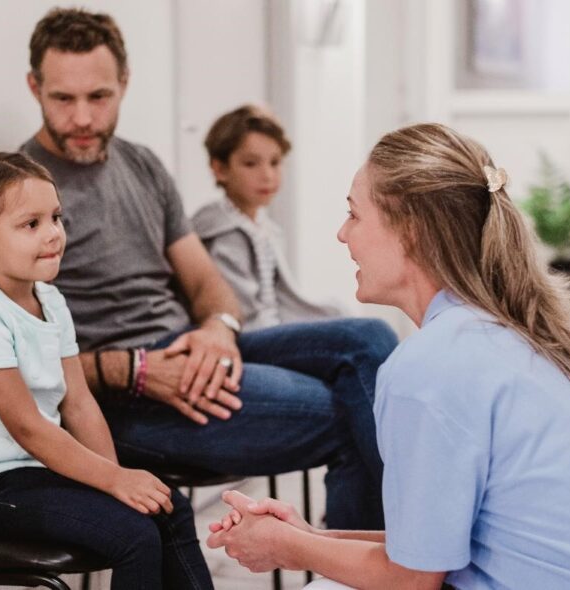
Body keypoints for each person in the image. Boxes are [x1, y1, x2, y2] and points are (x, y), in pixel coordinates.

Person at [206, 123, 570, 590]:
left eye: (354, 214)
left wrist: (287, 549)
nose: (342, 234)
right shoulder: (515, 338)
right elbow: (437, 552)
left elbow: (410, 580)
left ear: (411, 230)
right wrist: (308, 538)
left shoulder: (428, 368)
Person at [20, 6, 396, 536]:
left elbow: (203, 282)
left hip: (190, 348)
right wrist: (137, 370)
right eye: (63, 98)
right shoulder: (20, 194)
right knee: (353, 415)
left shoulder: (142, 164)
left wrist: (219, 328)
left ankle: (392, 559)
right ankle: (389, 564)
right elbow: (21, 361)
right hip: (119, 399)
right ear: (34, 87)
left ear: (124, 85)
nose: (82, 118)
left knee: (369, 336)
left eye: (98, 97)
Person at [0, 152, 212, 590]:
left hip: (34, 471)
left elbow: (78, 402)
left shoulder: (50, 299)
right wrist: (114, 481)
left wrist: (118, 485)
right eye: (31, 224)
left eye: (55, 218)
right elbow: (27, 426)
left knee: (167, 508)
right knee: (133, 534)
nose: (54, 234)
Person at [193, 104, 341, 331]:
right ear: (220, 169)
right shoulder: (224, 235)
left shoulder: (266, 229)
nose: (268, 175)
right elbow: (245, 317)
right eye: (251, 164)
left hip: (273, 329)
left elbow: (282, 302)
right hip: (251, 337)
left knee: (340, 313)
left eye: (275, 162)